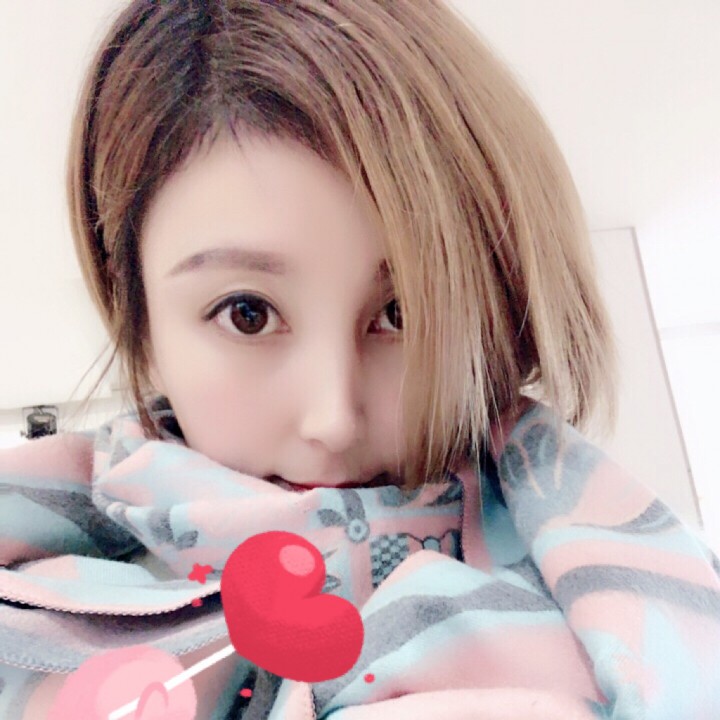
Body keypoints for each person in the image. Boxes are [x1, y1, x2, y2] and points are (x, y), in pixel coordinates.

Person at [1, 0, 719, 717]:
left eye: (402, 314)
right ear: (139, 320)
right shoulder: (29, 615)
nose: (334, 418)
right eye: (248, 314)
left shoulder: (646, 604)